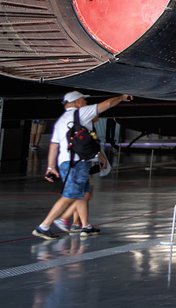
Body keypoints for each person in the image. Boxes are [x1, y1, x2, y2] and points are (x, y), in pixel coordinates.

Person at [33, 90, 132, 239]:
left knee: (83, 194)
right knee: (70, 195)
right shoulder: (81, 113)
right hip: (77, 163)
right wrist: (122, 97)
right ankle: (44, 226)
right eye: (84, 100)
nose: (86, 103)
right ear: (78, 102)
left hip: (67, 161)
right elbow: (108, 104)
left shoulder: (60, 121)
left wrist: (50, 167)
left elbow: (54, 145)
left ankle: (85, 226)